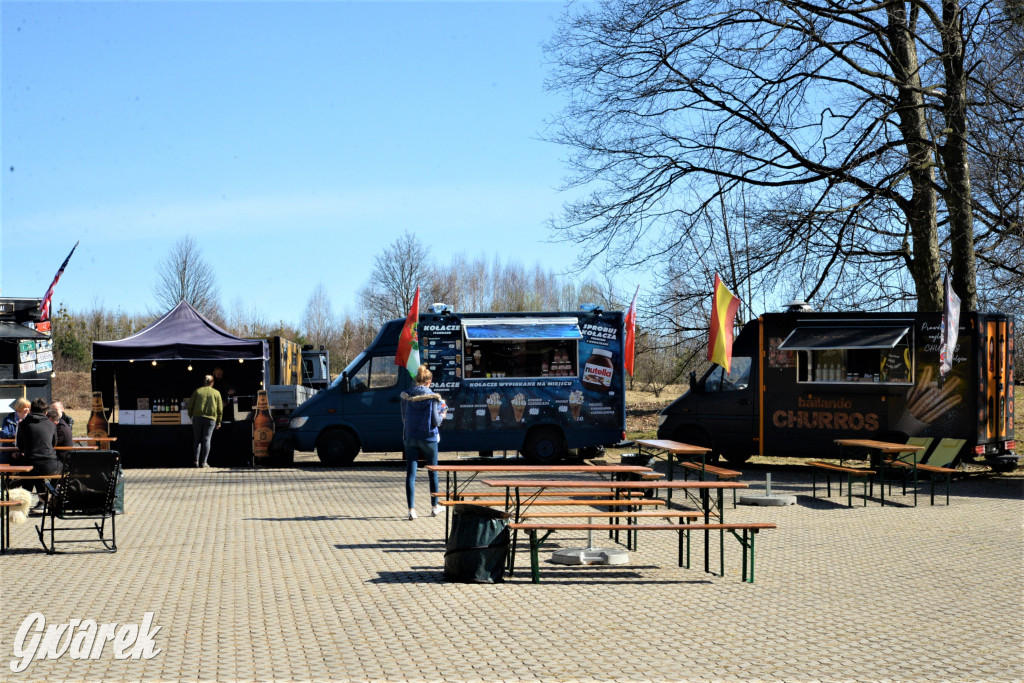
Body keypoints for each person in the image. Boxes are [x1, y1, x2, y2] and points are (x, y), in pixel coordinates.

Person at [399, 364, 447, 520]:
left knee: (411, 474)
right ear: (428, 382)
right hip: (428, 438)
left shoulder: (406, 396)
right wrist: (443, 414)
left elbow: (404, 418)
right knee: (433, 472)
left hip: (410, 436)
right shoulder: (433, 397)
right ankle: (434, 507)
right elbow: (435, 420)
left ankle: (411, 510)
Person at [15, 398, 60, 510]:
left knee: (31, 471)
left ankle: (28, 503)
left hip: (30, 464)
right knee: (63, 469)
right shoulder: (51, 424)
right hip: (50, 465)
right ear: (45, 412)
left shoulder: (23, 424)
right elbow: (54, 444)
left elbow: (20, 446)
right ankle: (51, 497)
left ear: (31, 410)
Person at [187, 374, 223, 468]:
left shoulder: (197, 391)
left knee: (197, 439)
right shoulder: (216, 393)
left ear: (204, 382)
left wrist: (191, 416)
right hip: (211, 419)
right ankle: (204, 462)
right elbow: (220, 409)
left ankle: (196, 461)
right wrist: (219, 421)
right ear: (212, 383)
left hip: (197, 418)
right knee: (207, 439)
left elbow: (190, 406)